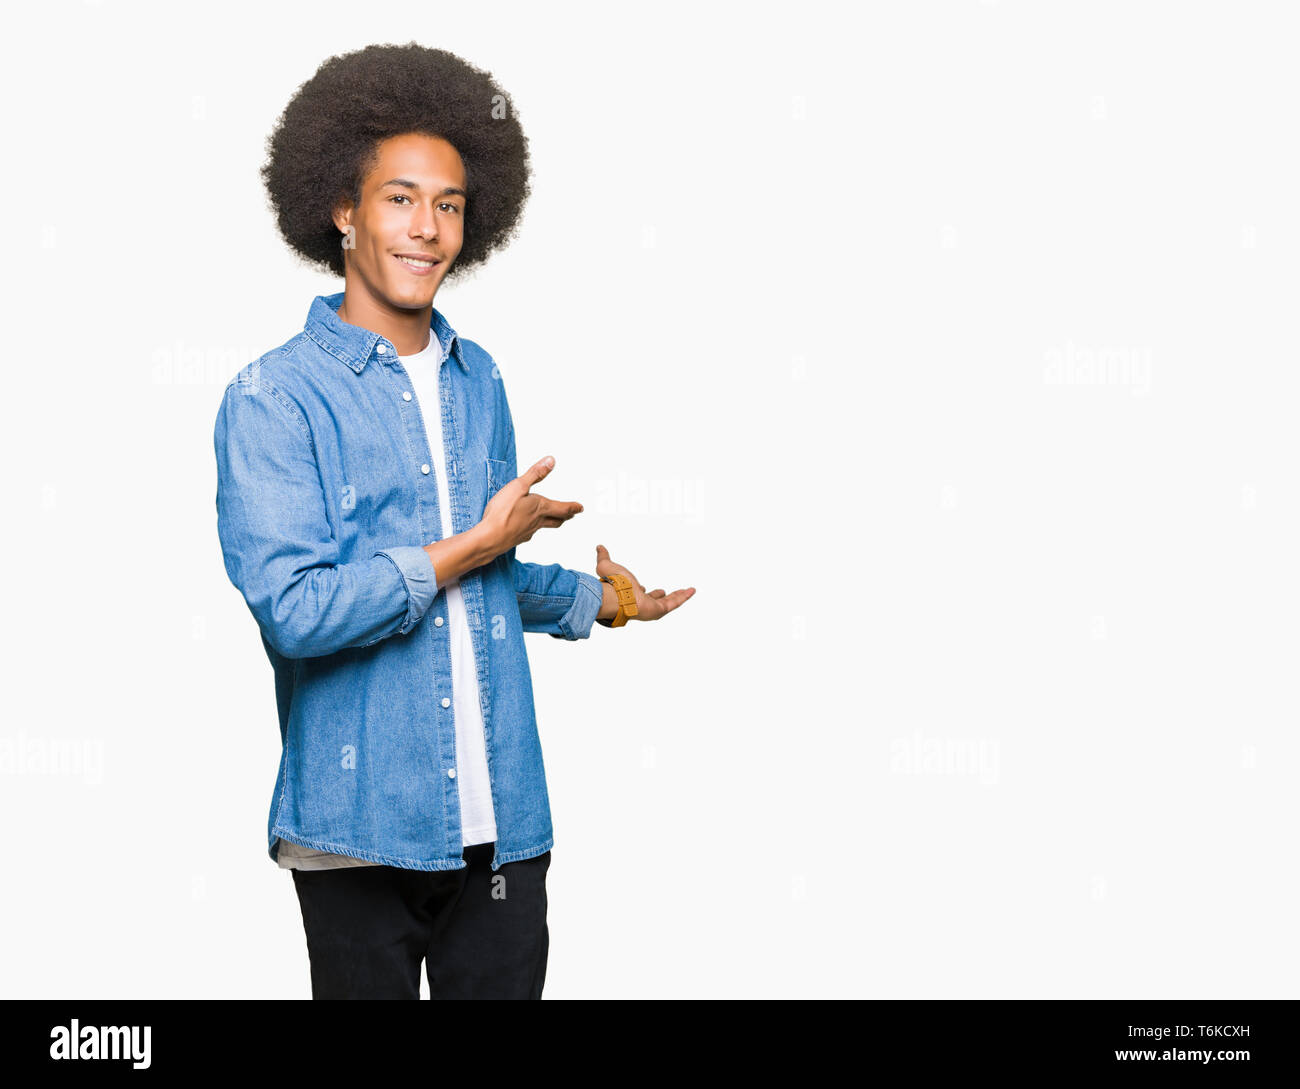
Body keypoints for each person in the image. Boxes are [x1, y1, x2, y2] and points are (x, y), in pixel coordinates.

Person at [213, 42, 695, 999]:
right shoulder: (271, 398)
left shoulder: (481, 381)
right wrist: (477, 542)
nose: (427, 229)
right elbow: (300, 610)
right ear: (342, 210)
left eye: (450, 205)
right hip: (358, 832)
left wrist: (599, 601)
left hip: (504, 827)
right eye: (399, 198)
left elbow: (480, 585)